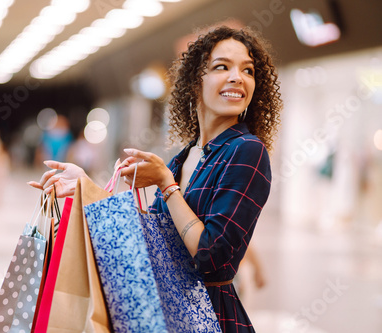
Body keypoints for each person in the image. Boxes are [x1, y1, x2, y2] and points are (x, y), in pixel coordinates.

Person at [29, 25, 282, 333]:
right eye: (221, 67)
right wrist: (87, 188)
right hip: (171, 313)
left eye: (248, 70)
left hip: (211, 317)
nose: (237, 78)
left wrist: (167, 185)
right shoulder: (186, 155)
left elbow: (210, 256)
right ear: (193, 82)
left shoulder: (247, 151)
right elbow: (158, 241)